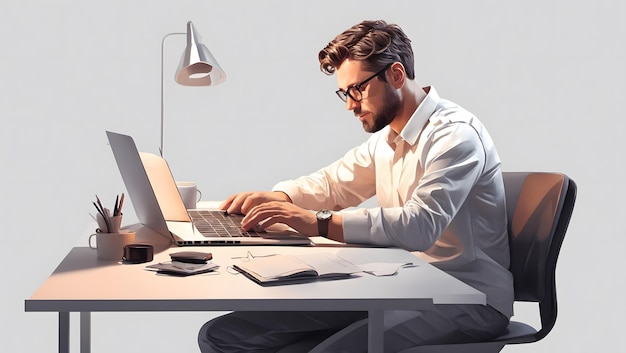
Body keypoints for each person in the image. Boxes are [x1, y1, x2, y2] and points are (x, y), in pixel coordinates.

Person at [198, 19, 513, 353]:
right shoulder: (388, 138)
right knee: (224, 335)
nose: (350, 104)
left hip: (465, 298)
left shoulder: (455, 135)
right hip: (401, 284)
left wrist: (319, 222)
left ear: (395, 74)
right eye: (344, 93)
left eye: (357, 89)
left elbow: (420, 226)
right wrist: (281, 197)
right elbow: (335, 184)